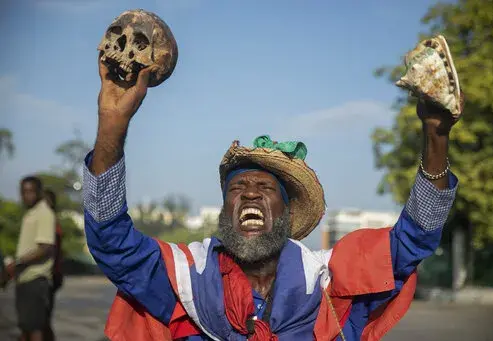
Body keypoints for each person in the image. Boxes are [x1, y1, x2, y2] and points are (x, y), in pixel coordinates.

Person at [83, 57, 461, 340]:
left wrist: (435, 138)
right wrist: (111, 125)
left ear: (287, 211)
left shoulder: (330, 286)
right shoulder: (183, 281)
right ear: (225, 210)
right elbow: (110, 240)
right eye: (237, 188)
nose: (249, 193)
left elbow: (415, 238)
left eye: (265, 189)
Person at [6, 176, 56, 341]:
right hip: (24, 278)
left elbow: (45, 247)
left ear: (38, 192)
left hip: (36, 279)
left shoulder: (44, 213)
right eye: (23, 192)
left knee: (35, 329)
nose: (26, 196)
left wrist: (17, 263)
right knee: (26, 328)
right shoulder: (31, 213)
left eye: (30, 191)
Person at [43, 189, 64, 341]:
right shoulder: (49, 221)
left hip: (49, 275)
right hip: (50, 275)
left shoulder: (50, 222)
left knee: (41, 319)